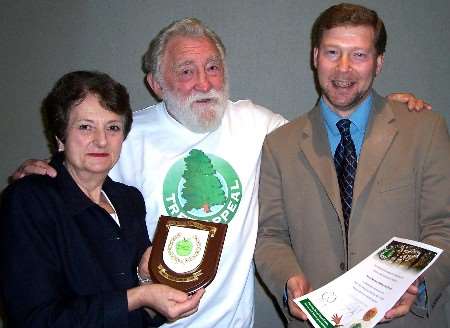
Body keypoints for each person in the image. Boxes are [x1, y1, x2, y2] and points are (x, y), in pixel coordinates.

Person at [9, 18, 431, 328]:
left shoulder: (259, 124)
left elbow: (326, 135)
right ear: (156, 82)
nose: (204, 82)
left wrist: (381, 109)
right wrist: (47, 167)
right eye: (186, 71)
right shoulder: (129, 134)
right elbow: (84, 162)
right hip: (145, 321)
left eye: (213, 67)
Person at [254, 3, 450, 328]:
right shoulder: (279, 145)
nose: (343, 68)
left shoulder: (425, 131)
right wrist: (288, 279)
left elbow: (444, 224)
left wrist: (420, 285)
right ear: (315, 56)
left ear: (379, 62)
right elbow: (271, 236)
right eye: (333, 52)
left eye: (359, 55)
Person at [0, 71, 204, 327]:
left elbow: (137, 316)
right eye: (86, 127)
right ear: (60, 138)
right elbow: (34, 319)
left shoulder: (129, 200)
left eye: (113, 127)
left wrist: (147, 284)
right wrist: (139, 296)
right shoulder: (29, 201)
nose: (101, 140)